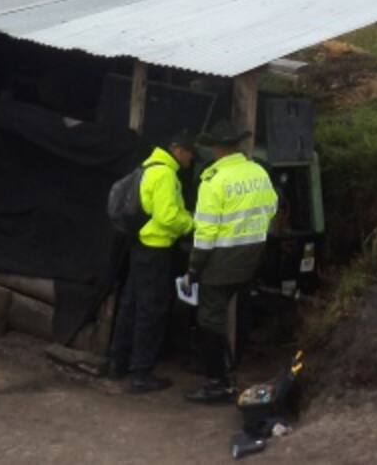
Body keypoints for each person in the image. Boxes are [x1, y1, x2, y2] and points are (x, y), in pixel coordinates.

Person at [182, 119, 278, 404]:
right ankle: (232, 368)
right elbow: (271, 207)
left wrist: (193, 268)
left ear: (216, 149)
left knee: (209, 320)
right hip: (252, 257)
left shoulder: (214, 181)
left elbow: (206, 231)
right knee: (238, 308)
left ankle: (218, 383)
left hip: (221, 261)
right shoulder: (258, 171)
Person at [107, 130, 196, 393]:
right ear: (179, 150)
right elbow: (168, 216)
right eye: (190, 153)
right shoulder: (166, 175)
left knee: (130, 306)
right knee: (151, 311)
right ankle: (141, 372)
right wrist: (192, 222)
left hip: (139, 246)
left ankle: (117, 363)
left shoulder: (149, 166)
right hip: (155, 249)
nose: (191, 159)